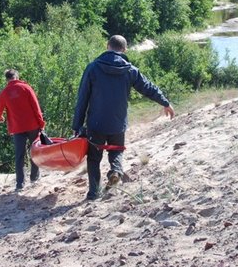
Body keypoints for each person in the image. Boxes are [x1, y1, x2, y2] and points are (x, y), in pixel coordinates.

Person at [72, 35, 175, 200]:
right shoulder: (130, 70)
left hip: (96, 123)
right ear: (124, 50)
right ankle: (116, 171)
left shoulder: (93, 68)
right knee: (117, 151)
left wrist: (77, 126)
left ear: (107, 46)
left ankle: (93, 193)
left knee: (93, 158)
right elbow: (147, 87)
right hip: (118, 122)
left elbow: (82, 98)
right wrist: (165, 102)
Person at [0, 69, 46, 191]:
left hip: (17, 128)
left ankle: (19, 184)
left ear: (7, 79)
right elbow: (36, 107)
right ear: (17, 76)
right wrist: (41, 123)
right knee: (35, 151)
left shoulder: (4, 92)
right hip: (32, 125)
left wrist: (0, 117)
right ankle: (34, 177)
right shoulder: (26, 88)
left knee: (19, 155)